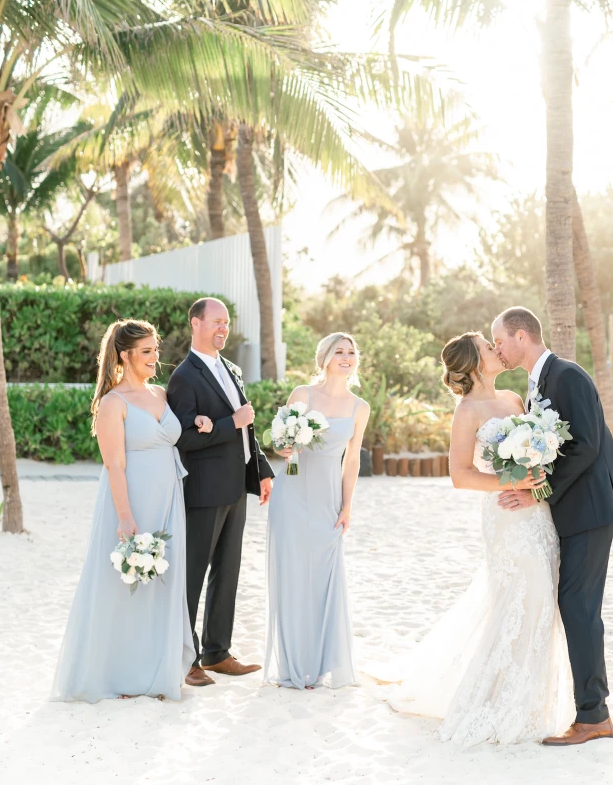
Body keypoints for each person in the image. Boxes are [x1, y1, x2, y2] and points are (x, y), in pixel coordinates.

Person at [368, 331, 572, 746]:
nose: (497, 349)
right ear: (475, 363)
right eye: (487, 346)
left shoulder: (515, 399)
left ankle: (531, 700)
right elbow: (460, 475)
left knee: (541, 599)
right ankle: (497, 700)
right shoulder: (467, 411)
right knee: (519, 597)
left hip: (536, 512)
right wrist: (511, 480)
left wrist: (535, 482)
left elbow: (538, 453)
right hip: (505, 516)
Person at [490, 307, 613, 746]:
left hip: (589, 510)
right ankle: (593, 711)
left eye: (500, 341)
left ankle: (594, 716)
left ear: (522, 335)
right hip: (571, 513)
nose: (497, 349)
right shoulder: (538, 384)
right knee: (576, 608)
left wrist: (538, 493)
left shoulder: (567, 376)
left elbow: (586, 446)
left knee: (580, 609)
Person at [52, 319, 194, 702]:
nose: (154, 358)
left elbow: (173, 437)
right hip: (133, 500)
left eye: (156, 350)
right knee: (123, 583)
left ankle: (157, 670)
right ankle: (120, 672)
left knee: (162, 580)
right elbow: (115, 464)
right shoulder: (113, 403)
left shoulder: (162, 395)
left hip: (168, 498)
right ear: (124, 355)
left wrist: (197, 421)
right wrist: (125, 516)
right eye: (146, 351)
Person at [166, 297, 274, 687]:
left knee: (227, 573)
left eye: (226, 322)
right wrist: (230, 422)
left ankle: (216, 652)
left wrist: (261, 471)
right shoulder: (183, 376)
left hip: (236, 487)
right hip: (204, 490)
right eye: (215, 322)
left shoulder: (232, 369)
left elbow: (249, 429)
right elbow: (182, 439)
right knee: (193, 575)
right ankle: (186, 658)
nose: (222, 329)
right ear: (195, 323)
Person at [263, 333, 369, 690]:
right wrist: (286, 446)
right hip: (292, 495)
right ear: (324, 357)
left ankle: (321, 665)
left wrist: (347, 506)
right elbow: (279, 442)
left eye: (351, 352)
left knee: (324, 578)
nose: (346, 357)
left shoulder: (360, 407)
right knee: (294, 577)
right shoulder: (302, 395)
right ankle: (294, 666)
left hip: (328, 501)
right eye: (339, 351)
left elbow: (351, 460)